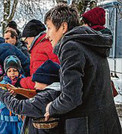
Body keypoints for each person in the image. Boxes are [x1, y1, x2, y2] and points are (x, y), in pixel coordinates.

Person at [43, 4, 121, 134]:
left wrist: (51, 107)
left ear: (63, 27)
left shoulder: (71, 48)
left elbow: (71, 97)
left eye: (49, 28)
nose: (46, 35)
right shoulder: (88, 43)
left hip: (86, 127)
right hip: (106, 123)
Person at [0, 60, 61, 134]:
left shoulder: (45, 97)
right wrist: (15, 93)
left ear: (45, 81)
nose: (34, 86)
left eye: (36, 82)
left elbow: (18, 107)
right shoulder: (56, 94)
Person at [19, 19, 60, 89]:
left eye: (26, 40)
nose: (26, 44)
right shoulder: (49, 44)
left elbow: (37, 81)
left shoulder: (38, 50)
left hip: (47, 93)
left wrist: (21, 81)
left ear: (32, 36)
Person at [0, 55, 24, 134]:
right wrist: (6, 96)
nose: (12, 73)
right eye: (9, 71)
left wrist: (18, 94)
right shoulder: (1, 85)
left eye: (15, 70)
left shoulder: (24, 83)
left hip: (20, 123)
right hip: (5, 124)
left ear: (19, 71)